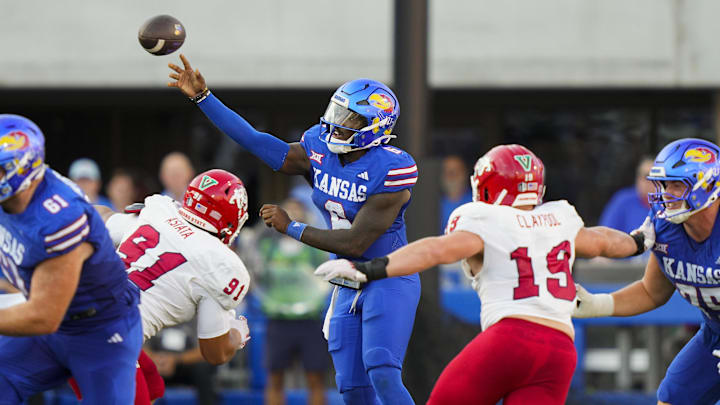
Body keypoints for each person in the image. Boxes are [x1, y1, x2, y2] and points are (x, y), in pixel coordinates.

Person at [315, 144, 653, 405]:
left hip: (511, 338)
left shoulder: (485, 220)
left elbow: (435, 250)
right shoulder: (559, 219)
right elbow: (606, 242)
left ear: (491, 184)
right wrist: (641, 240)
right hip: (560, 350)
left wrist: (372, 269)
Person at [168, 54, 419, 404]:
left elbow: (356, 242)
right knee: (351, 388)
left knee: (382, 371)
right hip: (346, 279)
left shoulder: (391, 169)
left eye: (350, 119)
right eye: (338, 112)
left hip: (388, 277)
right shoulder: (320, 151)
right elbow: (255, 141)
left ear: (376, 127)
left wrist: (293, 228)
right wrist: (203, 97)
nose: (337, 124)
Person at [0, 114, 143, 404]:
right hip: (50, 325)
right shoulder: (18, 193)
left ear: (22, 167)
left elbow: (44, 315)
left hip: (100, 331)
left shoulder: (59, 216)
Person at [573, 138, 720, 405]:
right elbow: (652, 292)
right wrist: (599, 304)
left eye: (677, 184)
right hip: (715, 332)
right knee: (671, 398)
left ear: (708, 183)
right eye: (663, 184)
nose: (666, 194)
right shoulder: (666, 227)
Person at [94, 168, 253, 404]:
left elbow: (101, 216)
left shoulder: (159, 213)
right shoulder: (219, 265)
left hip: (75, 308)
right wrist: (237, 334)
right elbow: (215, 353)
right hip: (109, 338)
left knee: (152, 382)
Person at [242, 198, 330, 405]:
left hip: (310, 319)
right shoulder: (266, 247)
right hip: (278, 319)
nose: (292, 214)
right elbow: (256, 274)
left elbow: (326, 273)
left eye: (296, 210)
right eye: (288, 210)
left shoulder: (314, 247)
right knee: (274, 378)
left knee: (316, 378)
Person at [598, 156, 655, 234]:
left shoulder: (668, 204)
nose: (648, 181)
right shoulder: (623, 201)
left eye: (653, 177)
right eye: (645, 176)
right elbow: (604, 233)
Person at [439, 155, 473, 233]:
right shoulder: (434, 204)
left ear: (465, 174)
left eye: (455, 171)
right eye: (447, 172)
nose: (451, 176)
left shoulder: (475, 200)